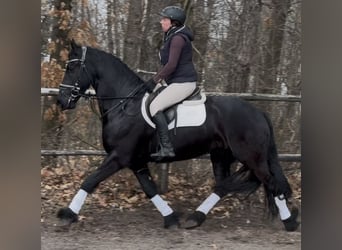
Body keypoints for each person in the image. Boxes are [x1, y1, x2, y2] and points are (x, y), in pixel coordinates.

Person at [145, 6, 198, 160]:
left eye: (164, 19)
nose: (161, 22)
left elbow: (171, 65)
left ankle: (167, 148)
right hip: (175, 81)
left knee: (155, 107)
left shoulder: (178, 38)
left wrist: (154, 80)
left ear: (173, 23)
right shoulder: (172, 35)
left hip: (184, 83)